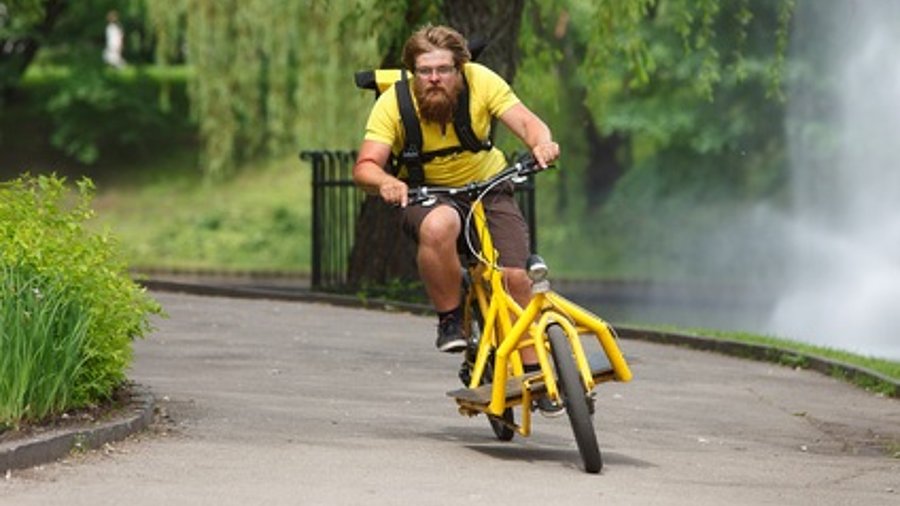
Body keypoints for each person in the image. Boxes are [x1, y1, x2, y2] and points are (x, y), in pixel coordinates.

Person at [352, 25, 559, 362]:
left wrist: (542, 144)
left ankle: (537, 374)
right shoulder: (394, 102)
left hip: (489, 187)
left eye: (444, 70)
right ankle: (451, 318)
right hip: (428, 195)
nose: (434, 78)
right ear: (413, 72)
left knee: (516, 278)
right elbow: (365, 166)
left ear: (459, 68)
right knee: (439, 225)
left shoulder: (481, 81)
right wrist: (385, 182)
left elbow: (527, 124)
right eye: (425, 71)